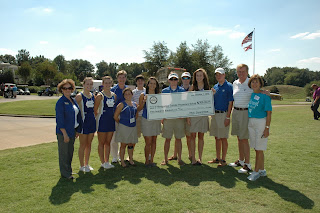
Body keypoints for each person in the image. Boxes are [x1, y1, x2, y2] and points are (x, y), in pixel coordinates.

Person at [55, 79, 82, 179]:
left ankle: (68, 171)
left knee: (70, 152)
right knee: (64, 154)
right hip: (64, 132)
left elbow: (76, 115)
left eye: (69, 88)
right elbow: (60, 119)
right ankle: (65, 173)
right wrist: (65, 134)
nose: (67, 90)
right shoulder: (61, 102)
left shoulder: (72, 100)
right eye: (65, 88)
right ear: (61, 89)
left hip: (72, 130)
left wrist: (77, 130)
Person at [247, 74, 272, 181]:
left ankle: (256, 172)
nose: (254, 84)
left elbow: (269, 113)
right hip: (251, 122)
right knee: (257, 148)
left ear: (260, 84)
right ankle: (262, 170)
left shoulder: (265, 96)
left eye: (257, 82)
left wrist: (267, 128)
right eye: (253, 82)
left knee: (259, 149)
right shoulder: (252, 94)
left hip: (261, 123)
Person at [229, 64, 253, 173]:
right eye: (239, 71)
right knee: (239, 137)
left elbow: (258, 92)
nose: (241, 73)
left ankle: (247, 164)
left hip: (245, 112)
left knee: (244, 139)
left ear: (247, 72)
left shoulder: (251, 82)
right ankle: (241, 160)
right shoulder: (235, 83)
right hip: (236, 111)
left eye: (243, 71)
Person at [208, 68, 233, 167]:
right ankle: (217, 158)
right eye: (217, 75)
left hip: (223, 114)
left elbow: (231, 102)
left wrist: (228, 117)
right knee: (217, 137)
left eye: (220, 74)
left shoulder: (229, 86)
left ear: (224, 75)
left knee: (223, 138)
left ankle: (223, 159)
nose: (218, 76)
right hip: (215, 114)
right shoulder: (215, 86)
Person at [161, 72, 186, 166]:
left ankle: (179, 159)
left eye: (175, 79)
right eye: (171, 79)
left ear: (178, 80)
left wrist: (183, 114)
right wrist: (163, 117)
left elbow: (185, 104)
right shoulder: (164, 91)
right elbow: (162, 105)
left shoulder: (182, 91)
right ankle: (165, 159)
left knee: (178, 139)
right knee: (167, 139)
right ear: (168, 80)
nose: (173, 81)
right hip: (168, 118)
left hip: (179, 118)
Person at [137, 77, 162, 167]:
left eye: (154, 84)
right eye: (150, 83)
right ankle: (147, 161)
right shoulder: (143, 95)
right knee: (148, 141)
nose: (152, 85)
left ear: (156, 85)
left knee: (154, 141)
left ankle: (152, 160)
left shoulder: (159, 95)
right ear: (147, 84)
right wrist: (143, 102)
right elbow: (139, 109)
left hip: (156, 120)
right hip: (146, 120)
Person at [168, 71, 192, 162]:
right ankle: (175, 155)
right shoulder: (179, 89)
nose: (186, 79)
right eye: (184, 78)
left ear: (189, 79)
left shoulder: (193, 88)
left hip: (188, 116)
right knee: (177, 137)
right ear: (181, 79)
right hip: (179, 117)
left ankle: (190, 155)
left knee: (189, 136)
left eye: (187, 78)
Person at [188, 68, 210, 165]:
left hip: (203, 116)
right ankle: (193, 158)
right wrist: (188, 117)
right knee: (192, 136)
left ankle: (200, 158)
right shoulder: (192, 87)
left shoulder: (207, 88)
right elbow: (187, 103)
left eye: (201, 75)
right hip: (193, 116)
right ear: (195, 77)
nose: (199, 77)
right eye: (197, 75)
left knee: (201, 137)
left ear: (204, 76)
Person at [94, 76, 116, 169]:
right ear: (103, 84)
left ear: (111, 84)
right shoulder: (100, 96)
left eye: (109, 83)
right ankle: (102, 162)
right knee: (101, 142)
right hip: (102, 121)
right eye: (105, 83)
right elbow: (95, 110)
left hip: (111, 121)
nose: (107, 85)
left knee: (108, 142)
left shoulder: (114, 95)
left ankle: (107, 161)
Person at [114, 88, 138, 168]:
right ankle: (122, 161)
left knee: (131, 144)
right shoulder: (121, 104)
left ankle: (131, 159)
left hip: (133, 127)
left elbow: (136, 114)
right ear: (124, 96)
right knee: (123, 144)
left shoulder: (135, 104)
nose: (128, 95)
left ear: (132, 94)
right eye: (126, 94)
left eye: (129, 94)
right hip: (124, 127)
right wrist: (121, 123)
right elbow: (115, 116)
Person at [75, 77, 96, 172]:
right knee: (83, 145)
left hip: (92, 122)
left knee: (89, 144)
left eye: (91, 84)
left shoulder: (93, 96)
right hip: (83, 123)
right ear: (83, 85)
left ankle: (87, 164)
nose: (89, 86)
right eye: (87, 84)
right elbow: (74, 110)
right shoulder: (79, 96)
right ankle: (81, 165)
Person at [110, 70, 128, 163]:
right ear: (117, 78)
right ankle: (114, 156)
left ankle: (121, 156)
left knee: (124, 138)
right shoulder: (113, 90)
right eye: (120, 77)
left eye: (123, 77)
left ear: (126, 78)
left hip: (125, 117)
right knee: (114, 138)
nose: (122, 79)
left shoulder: (128, 89)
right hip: (115, 116)